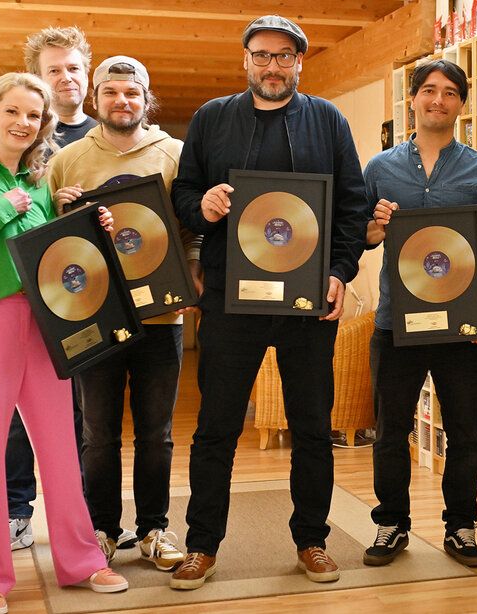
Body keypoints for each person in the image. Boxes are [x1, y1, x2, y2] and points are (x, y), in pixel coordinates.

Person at [169, 15, 368, 588]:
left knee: (311, 426)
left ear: (300, 62)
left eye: (284, 56)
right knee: (216, 428)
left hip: (309, 303)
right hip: (231, 301)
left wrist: (339, 271)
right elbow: (183, 194)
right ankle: (202, 546)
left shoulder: (328, 119)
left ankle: (312, 541)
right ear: (246, 60)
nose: (273, 65)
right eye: (262, 55)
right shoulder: (211, 118)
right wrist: (201, 205)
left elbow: (352, 205)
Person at [0, 72, 128, 614]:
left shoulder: (39, 182)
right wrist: (0, 209)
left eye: (33, 116)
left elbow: (52, 254)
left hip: (46, 321)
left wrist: (86, 225)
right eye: (12, 111)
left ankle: (82, 561)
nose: (22, 123)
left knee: (61, 444)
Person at [49, 55, 202, 572]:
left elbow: (192, 225)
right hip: (93, 315)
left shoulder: (176, 153)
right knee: (97, 434)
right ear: (96, 100)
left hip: (161, 317)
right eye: (111, 92)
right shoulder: (67, 160)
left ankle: (155, 527)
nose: (122, 101)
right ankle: (102, 530)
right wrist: (58, 210)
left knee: (156, 433)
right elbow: (46, 240)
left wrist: (194, 273)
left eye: (132, 93)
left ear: (146, 99)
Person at [362, 59, 477, 569]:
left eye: (448, 92)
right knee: (390, 428)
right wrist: (374, 230)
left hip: (460, 324)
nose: (437, 100)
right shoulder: (379, 169)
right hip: (395, 322)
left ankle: (461, 527)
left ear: (461, 103)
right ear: (413, 99)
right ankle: (391, 525)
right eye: (428, 90)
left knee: (465, 430)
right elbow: (360, 236)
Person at [5, 26, 99, 552]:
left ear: (87, 73)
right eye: (53, 69)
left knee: (82, 413)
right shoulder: (20, 135)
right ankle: (17, 511)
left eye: (73, 68)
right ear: (37, 80)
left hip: (88, 295)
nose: (65, 78)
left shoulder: (105, 131)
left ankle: (80, 517)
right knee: (21, 413)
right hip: (26, 296)